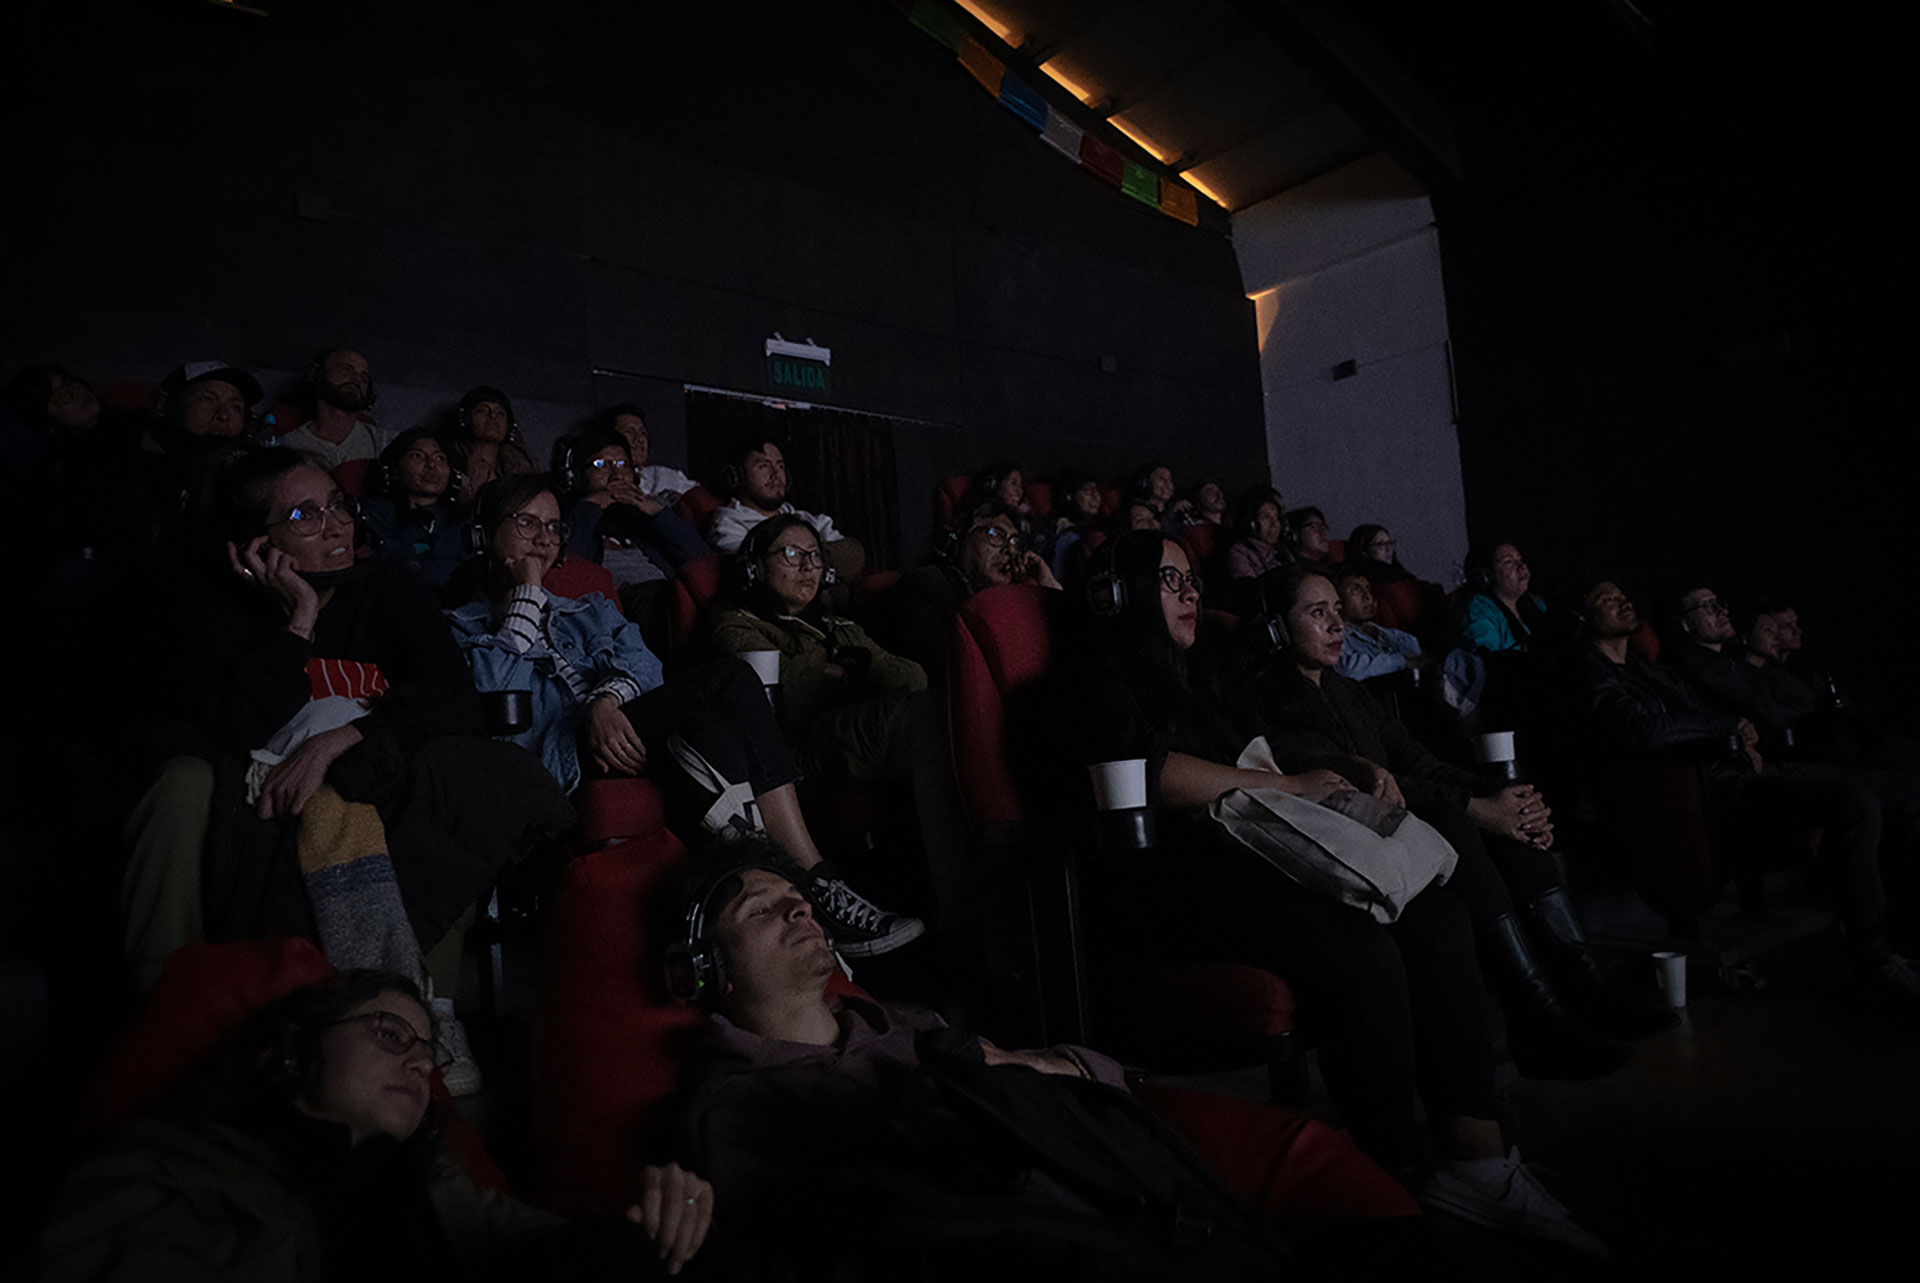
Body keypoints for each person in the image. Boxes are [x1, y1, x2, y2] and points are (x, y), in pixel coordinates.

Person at [1019, 530, 1608, 1253]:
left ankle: (1476, 1162)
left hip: (1242, 861)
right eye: (1169, 581)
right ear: (1117, 593)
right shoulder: (1094, 675)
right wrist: (1287, 783)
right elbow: (1149, 769)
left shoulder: (1192, 671)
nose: (1190, 594)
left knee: (1436, 915)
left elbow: (1257, 738)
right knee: (1358, 946)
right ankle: (1390, 1175)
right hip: (1161, 882)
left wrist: (1329, 760)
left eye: (1191, 581)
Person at [679, 848, 1444, 1280]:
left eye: (796, 897)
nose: (800, 909)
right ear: (712, 972)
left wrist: (1028, 1068)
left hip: (1133, 1207)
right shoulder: (735, 1103)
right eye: (760, 911)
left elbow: (1110, 1082)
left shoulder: (912, 1022)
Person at [446, 476, 922, 957]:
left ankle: (776, 917)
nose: (546, 538)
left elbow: (644, 667)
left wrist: (604, 702)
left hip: (623, 734)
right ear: (485, 534)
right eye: (528, 524)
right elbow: (495, 699)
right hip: (552, 757)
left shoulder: (586, 608)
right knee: (730, 682)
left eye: (553, 526)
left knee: (712, 731)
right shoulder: (458, 627)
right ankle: (814, 883)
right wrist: (527, 594)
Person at [148, 448, 570, 989]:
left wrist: (337, 742)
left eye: (337, 506)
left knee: (463, 783)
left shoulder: (389, 586)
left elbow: (453, 701)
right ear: (256, 543)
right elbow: (234, 726)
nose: (336, 527)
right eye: (305, 516)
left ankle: (418, 1001)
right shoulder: (212, 609)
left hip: (375, 775)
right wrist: (298, 620)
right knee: (183, 784)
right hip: (262, 785)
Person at [41, 970, 717, 1280]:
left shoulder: (440, 1180)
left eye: (428, 1049)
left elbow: (554, 1245)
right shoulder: (171, 1173)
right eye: (389, 1033)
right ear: (294, 1051)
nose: (420, 1059)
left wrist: (659, 1211)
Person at [1251, 565, 1670, 1047]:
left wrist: (1506, 799)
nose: (1336, 625)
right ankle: (1535, 1009)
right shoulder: (1270, 697)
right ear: (1276, 627)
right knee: (1456, 821)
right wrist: (1476, 805)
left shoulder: (1347, 690)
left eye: (1338, 612)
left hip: (1405, 812)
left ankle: (1586, 989)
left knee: (1502, 814)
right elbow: (1366, 783)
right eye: (1317, 612)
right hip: (1356, 837)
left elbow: (1417, 761)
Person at [1569, 579, 1920, 1010]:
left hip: (1745, 766)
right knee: (1853, 802)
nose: (1623, 600)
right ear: (1582, 617)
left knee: (1903, 789)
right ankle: (1875, 955)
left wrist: (1737, 728)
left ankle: (1904, 933)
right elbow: (1642, 728)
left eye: (1623, 593)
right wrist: (1727, 732)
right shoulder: (1588, 670)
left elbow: (1709, 713)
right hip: (1710, 787)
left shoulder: (1648, 669)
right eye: (1606, 598)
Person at [708, 515, 926, 785]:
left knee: (934, 707)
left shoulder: (838, 624)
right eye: (791, 554)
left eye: (814, 555)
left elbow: (913, 676)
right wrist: (853, 671)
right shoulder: (737, 623)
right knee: (923, 719)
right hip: (794, 756)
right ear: (756, 568)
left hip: (847, 729)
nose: (808, 566)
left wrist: (848, 670)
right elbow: (786, 702)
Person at [867, 500, 1060, 688]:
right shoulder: (925, 586)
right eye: (996, 534)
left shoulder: (1010, 597)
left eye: (1014, 541)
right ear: (961, 536)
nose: (1009, 550)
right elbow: (947, 675)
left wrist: (1047, 584)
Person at [554, 427, 710, 642]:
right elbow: (568, 567)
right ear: (576, 476)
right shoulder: (568, 517)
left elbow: (702, 562)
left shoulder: (645, 518)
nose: (617, 475)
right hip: (615, 610)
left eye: (622, 464)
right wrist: (592, 504)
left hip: (671, 600)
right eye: (601, 464)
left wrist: (656, 512)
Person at [706, 436, 864, 583]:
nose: (776, 474)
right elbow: (770, 574)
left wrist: (793, 553)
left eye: (780, 466)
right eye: (763, 466)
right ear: (735, 476)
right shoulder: (727, 525)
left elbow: (853, 559)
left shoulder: (806, 519)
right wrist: (821, 554)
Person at [360, 427, 469, 588]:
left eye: (440, 458)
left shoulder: (460, 523)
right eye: (417, 456)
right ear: (394, 469)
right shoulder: (373, 512)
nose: (431, 465)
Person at [266, 348, 383, 473]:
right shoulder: (288, 444)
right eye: (346, 370)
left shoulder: (380, 442)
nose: (357, 379)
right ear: (318, 375)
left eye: (363, 377)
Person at [448, 385, 537, 505]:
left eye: (500, 413)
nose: (492, 417)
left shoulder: (522, 466)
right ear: (466, 419)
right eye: (482, 411)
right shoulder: (450, 462)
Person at [597, 402, 697, 504]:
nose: (639, 439)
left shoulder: (665, 476)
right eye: (629, 432)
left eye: (642, 433)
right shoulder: (602, 479)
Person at [1224, 485, 1288, 592]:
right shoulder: (1239, 552)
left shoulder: (1283, 552)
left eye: (1276, 517)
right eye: (1266, 517)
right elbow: (1249, 592)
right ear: (1251, 524)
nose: (1274, 524)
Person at [1283, 506, 1337, 576]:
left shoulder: (1335, 570)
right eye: (1315, 526)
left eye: (1324, 527)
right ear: (1295, 535)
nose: (1323, 532)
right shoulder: (1289, 571)